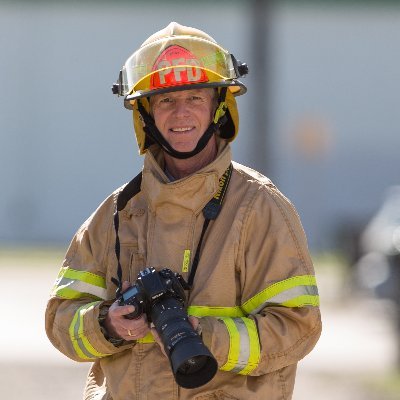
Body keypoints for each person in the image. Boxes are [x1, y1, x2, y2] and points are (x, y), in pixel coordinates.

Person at [45, 22, 322, 400]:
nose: (181, 114)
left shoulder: (259, 207)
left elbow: (298, 326)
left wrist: (204, 335)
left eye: (195, 98)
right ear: (145, 113)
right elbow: (62, 320)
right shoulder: (117, 213)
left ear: (219, 107)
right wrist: (107, 325)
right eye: (166, 101)